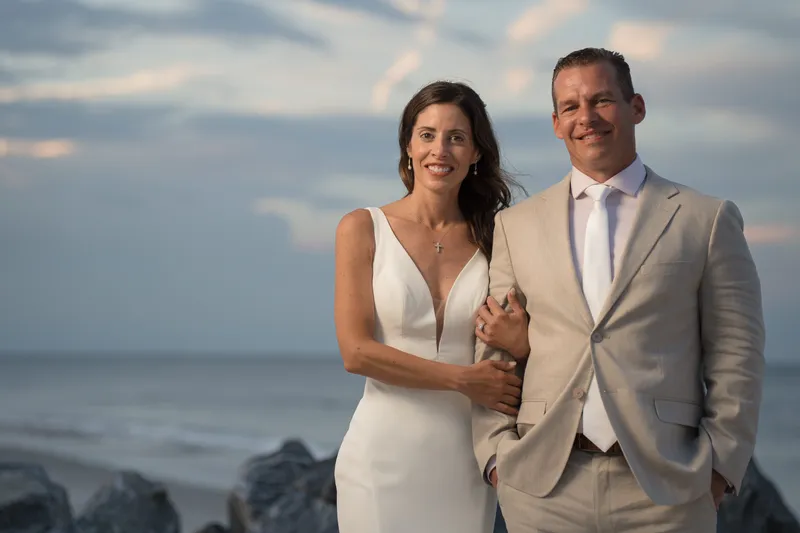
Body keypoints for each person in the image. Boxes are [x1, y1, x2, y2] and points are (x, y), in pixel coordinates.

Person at [472, 47, 765, 532]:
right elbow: (493, 350)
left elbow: (737, 351)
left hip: (667, 493)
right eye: (570, 107)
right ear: (556, 123)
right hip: (542, 489)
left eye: (602, 100)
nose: (586, 117)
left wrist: (719, 467)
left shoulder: (706, 219)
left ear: (637, 107)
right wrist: (496, 457)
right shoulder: (515, 226)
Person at [333, 80, 530, 533]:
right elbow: (356, 353)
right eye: (427, 135)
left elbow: (527, 337)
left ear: (476, 152)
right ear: (408, 145)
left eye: (456, 137)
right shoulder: (362, 228)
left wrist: (522, 343)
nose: (440, 150)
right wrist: (463, 380)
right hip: (379, 459)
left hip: (466, 462)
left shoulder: (499, 238)